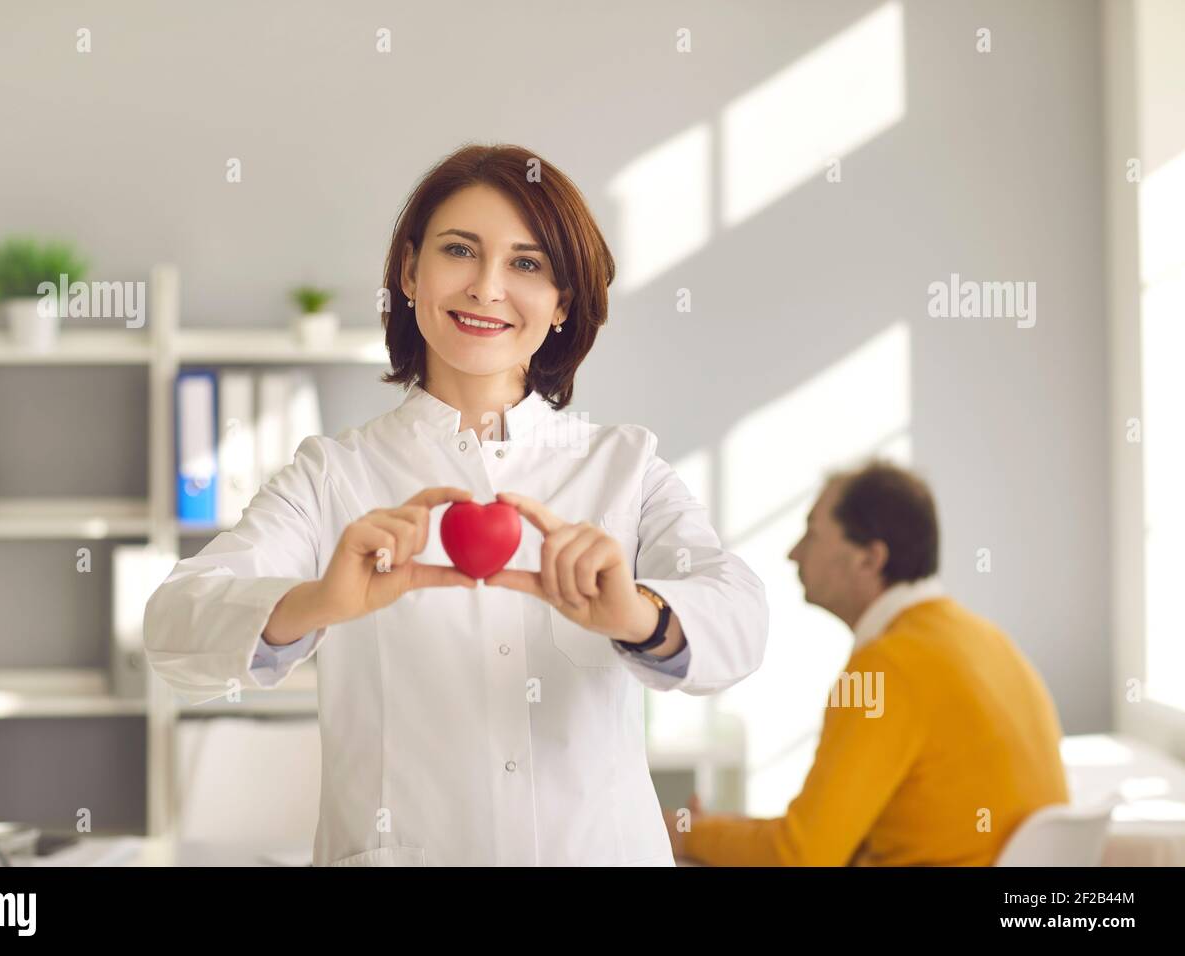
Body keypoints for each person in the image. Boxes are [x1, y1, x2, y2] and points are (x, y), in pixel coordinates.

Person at [143, 143, 769, 866]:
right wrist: (317, 602)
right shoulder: (333, 477)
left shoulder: (623, 468)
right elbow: (173, 627)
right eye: (460, 251)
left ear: (563, 302)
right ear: (410, 272)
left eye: (527, 264)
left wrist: (637, 615)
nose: (487, 287)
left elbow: (742, 617)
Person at [667, 462, 1067, 866]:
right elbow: (829, 837)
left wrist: (688, 833)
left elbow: (801, 857)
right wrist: (730, 830)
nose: (793, 553)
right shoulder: (984, 638)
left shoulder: (886, 668)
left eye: (813, 532)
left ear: (869, 559)